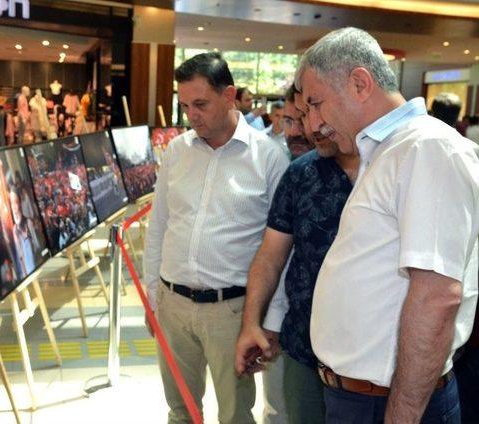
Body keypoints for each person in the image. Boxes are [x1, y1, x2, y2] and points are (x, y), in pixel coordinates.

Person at [295, 27, 479, 422]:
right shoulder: (388, 150)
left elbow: (437, 295)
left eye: (316, 104)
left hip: (388, 403)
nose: (312, 124)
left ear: (360, 83)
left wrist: (401, 415)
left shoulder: (426, 147)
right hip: (362, 397)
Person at [143, 52, 289, 424]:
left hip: (232, 312)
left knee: (235, 414)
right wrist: (152, 297)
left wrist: (269, 320)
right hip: (173, 303)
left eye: (201, 104)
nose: (192, 115)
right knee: (180, 411)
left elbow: (283, 251)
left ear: (228, 96)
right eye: (185, 105)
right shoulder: (177, 151)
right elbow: (159, 225)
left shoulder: (269, 158)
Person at [235, 82, 359, 423]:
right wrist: (253, 322)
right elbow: (271, 256)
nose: (308, 127)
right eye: (299, 116)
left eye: (314, 111)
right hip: (303, 349)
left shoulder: (385, 168)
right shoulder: (300, 173)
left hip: (368, 360)